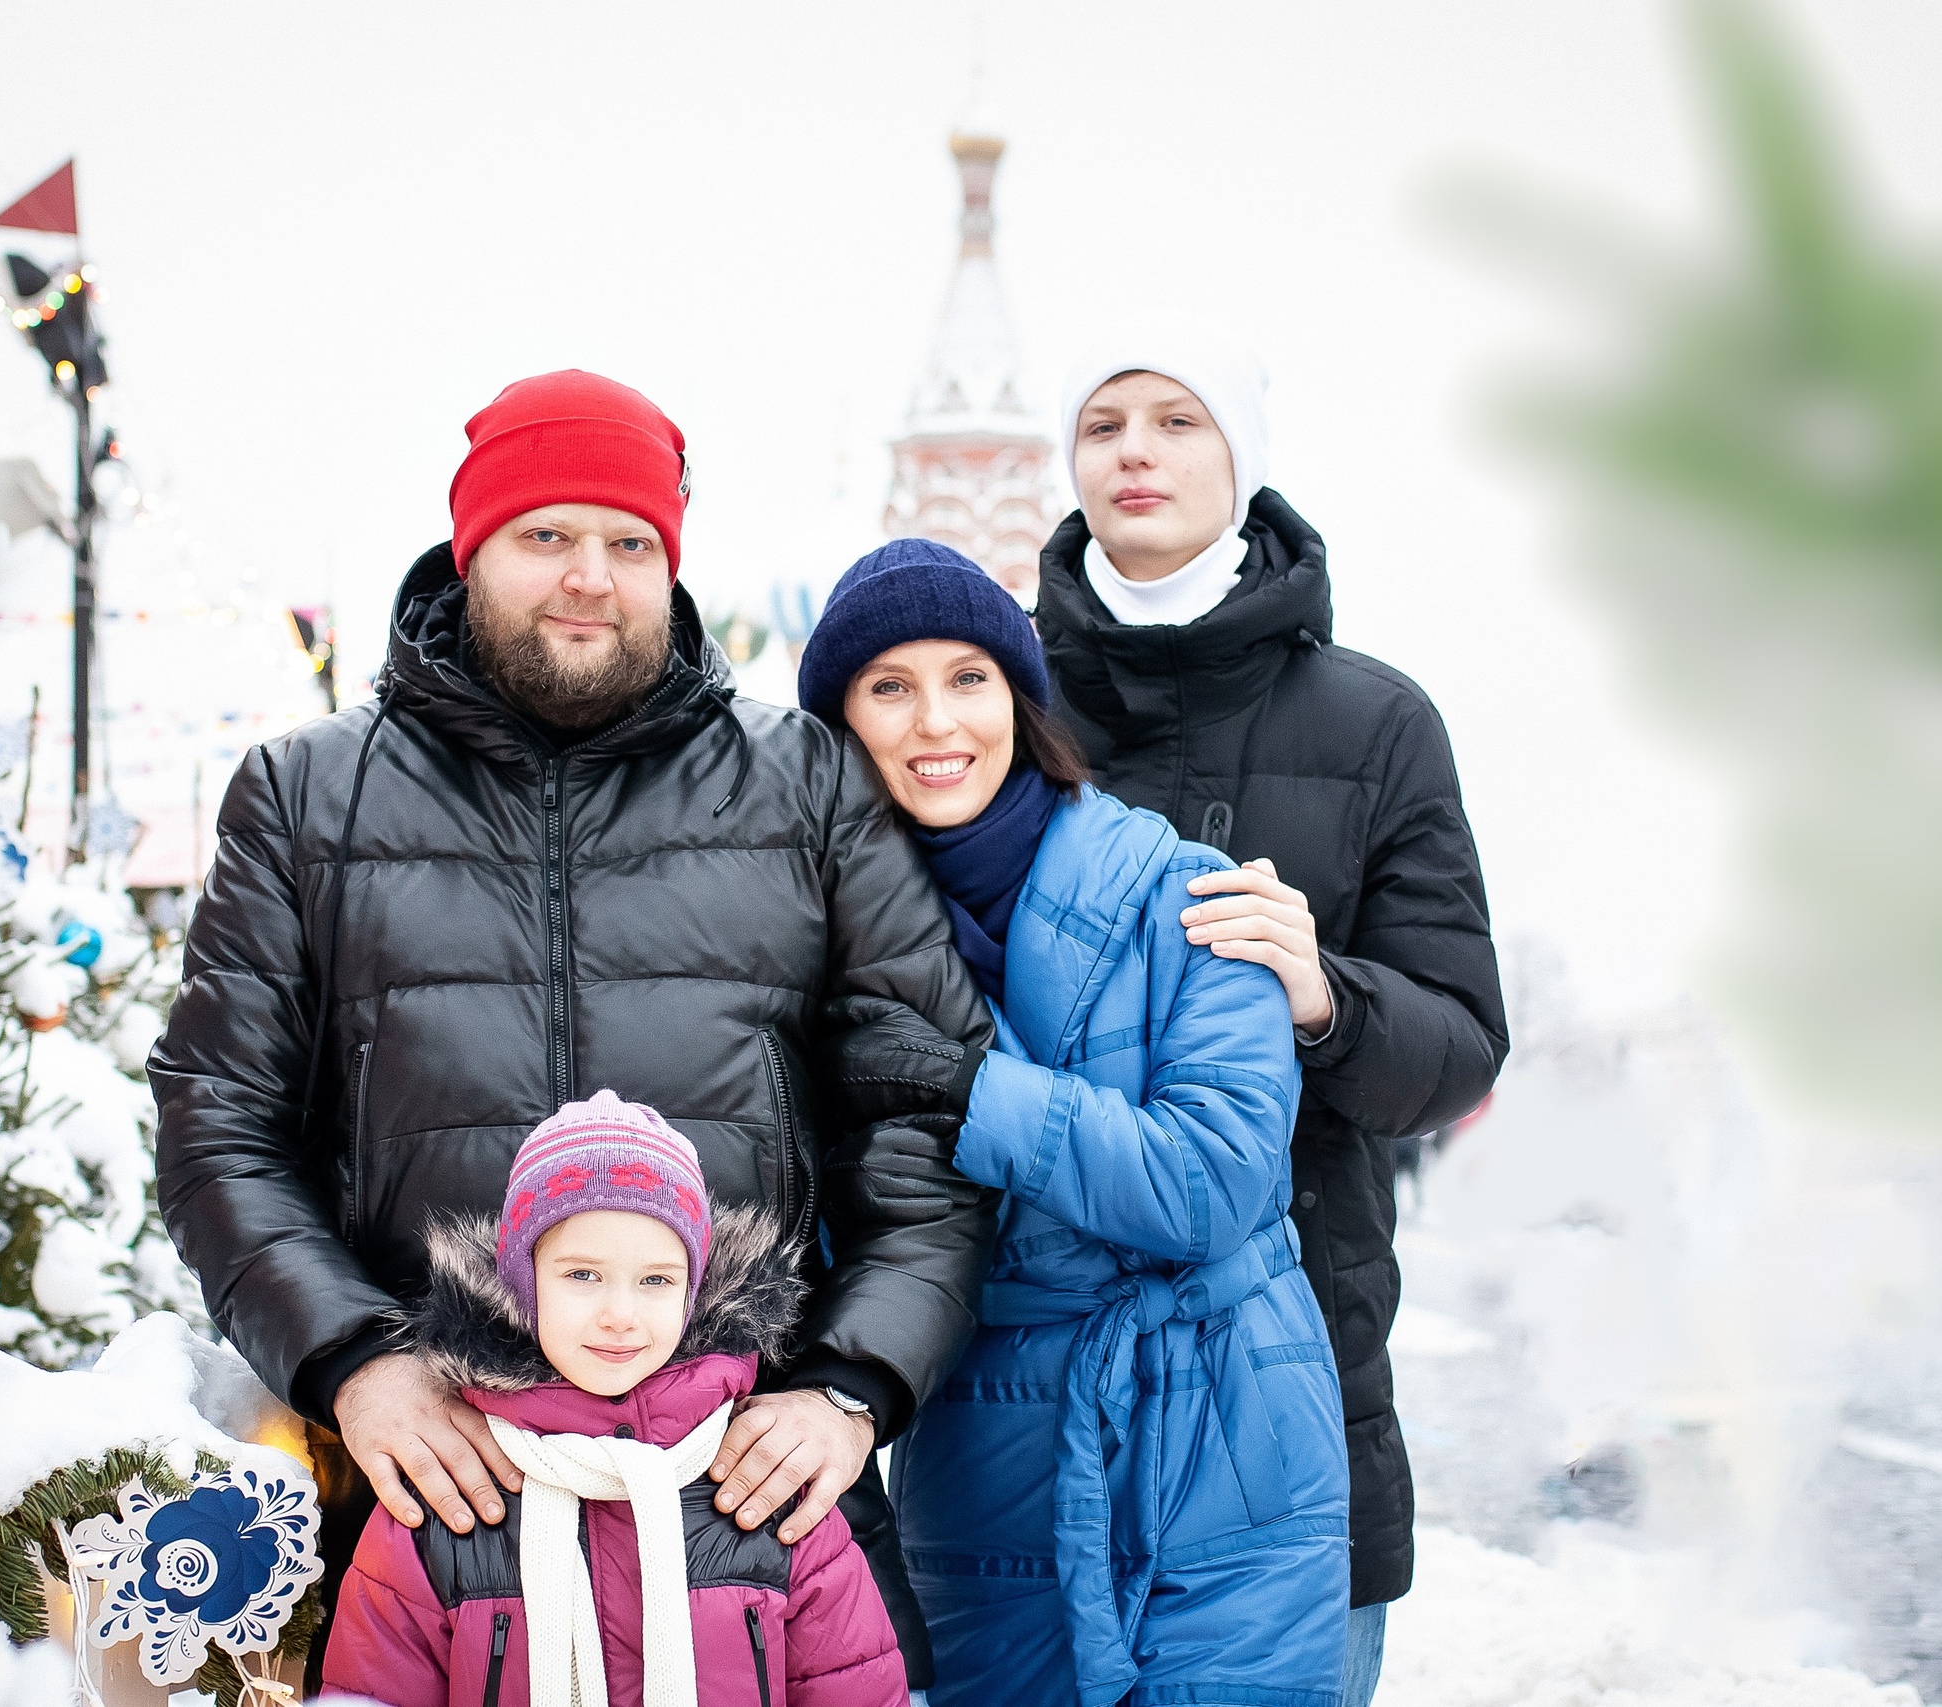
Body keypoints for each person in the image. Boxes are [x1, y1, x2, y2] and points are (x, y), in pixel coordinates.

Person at [150, 371, 996, 1689]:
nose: (590, 576)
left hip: (754, 1516)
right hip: (437, 1517)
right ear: (471, 549)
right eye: (547, 533)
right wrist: (353, 1360)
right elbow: (220, 1122)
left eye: (630, 541)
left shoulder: (807, 787)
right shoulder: (309, 795)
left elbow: (925, 1120)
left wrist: (849, 1384)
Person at [1035, 314, 1509, 1704]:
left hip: (1294, 1387)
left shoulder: (1375, 723)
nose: (1135, 452)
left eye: (1176, 419)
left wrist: (1324, 995)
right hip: (1027, 1384)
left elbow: (1458, 1049)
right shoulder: (989, 708)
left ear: (1240, 452)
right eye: (1103, 423)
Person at [793, 539, 1351, 1707]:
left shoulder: (1188, 895)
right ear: (840, 726)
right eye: (888, 687)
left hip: (1221, 1431)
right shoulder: (817, 950)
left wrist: (973, 1091)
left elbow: (1211, 1185)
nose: (934, 720)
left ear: (1019, 698)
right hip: (983, 1456)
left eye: (968, 677)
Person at [322, 1092, 907, 1706]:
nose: (620, 1315)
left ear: (692, 1291)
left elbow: (853, 1685)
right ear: (524, 1282)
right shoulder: (447, 1493)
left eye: (656, 1279)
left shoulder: (765, 1485)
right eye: (583, 1274)